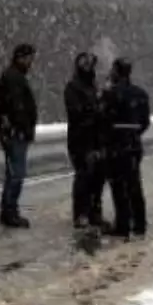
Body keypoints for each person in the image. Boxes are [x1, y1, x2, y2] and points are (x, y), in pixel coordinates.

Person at [102, 58, 150, 239]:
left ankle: (123, 224)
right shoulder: (140, 94)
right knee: (134, 185)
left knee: (118, 187)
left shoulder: (109, 95)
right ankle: (139, 223)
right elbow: (145, 122)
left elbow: (103, 121)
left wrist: (109, 138)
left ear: (115, 72)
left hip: (115, 146)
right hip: (133, 146)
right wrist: (134, 134)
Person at [0, 43, 37, 228]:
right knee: (16, 174)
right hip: (14, 132)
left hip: (14, 130)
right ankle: (10, 211)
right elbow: (16, 107)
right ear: (21, 58)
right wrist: (22, 127)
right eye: (29, 59)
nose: (30, 63)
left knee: (14, 173)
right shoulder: (13, 78)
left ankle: (8, 209)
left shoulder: (15, 76)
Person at [64, 52, 106, 228]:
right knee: (83, 176)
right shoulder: (73, 87)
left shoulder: (93, 86)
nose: (90, 68)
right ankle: (81, 213)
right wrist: (95, 111)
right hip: (80, 139)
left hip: (96, 137)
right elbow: (76, 113)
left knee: (98, 177)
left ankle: (95, 212)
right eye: (87, 64)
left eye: (92, 65)